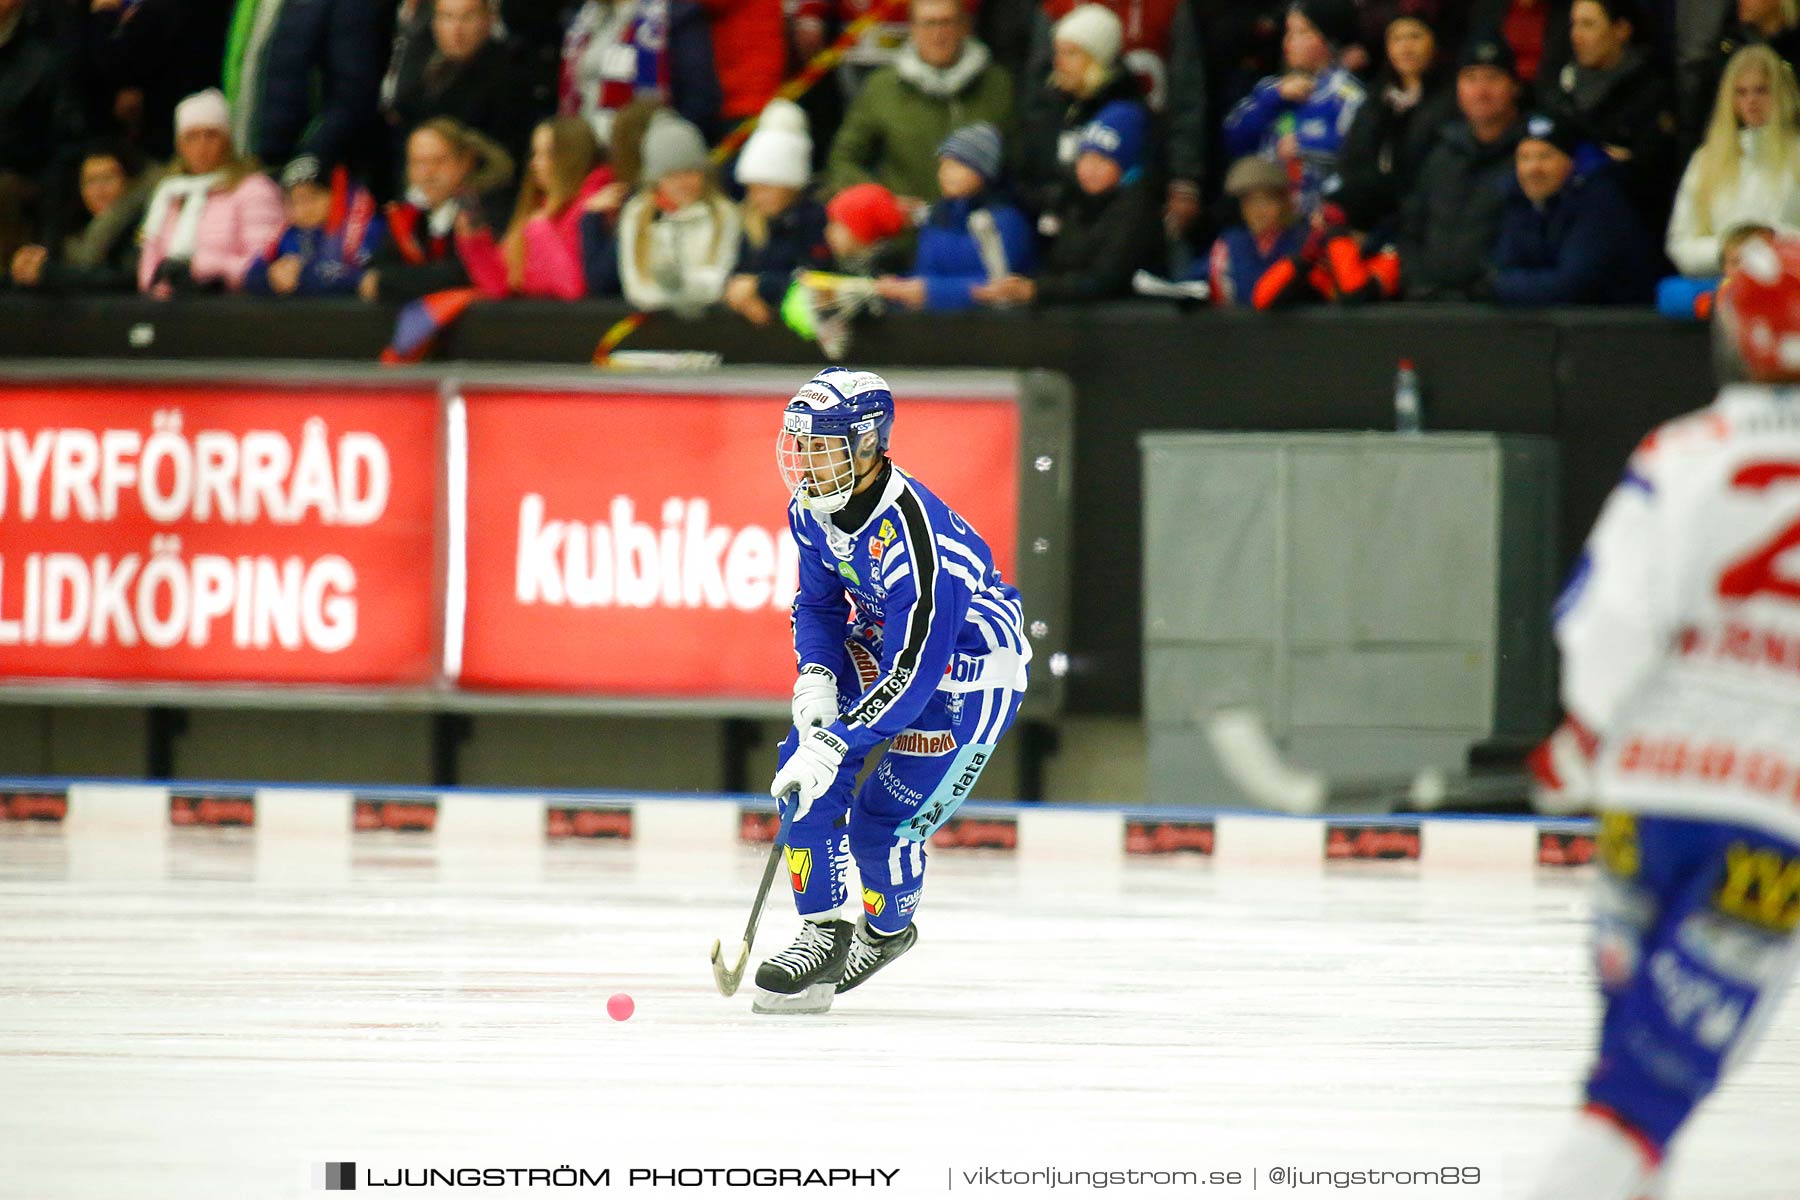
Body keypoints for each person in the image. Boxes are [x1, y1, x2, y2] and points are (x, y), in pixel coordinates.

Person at [1523, 229, 1800, 1200]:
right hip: (1773, 828)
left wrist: (1580, 738)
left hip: (1651, 799)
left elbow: (1610, 621)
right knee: (1638, 1103)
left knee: (1622, 1088)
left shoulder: (1682, 453)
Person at [755, 367, 1031, 1014]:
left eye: (821, 448)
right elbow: (819, 604)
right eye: (799, 446)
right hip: (886, 646)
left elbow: (914, 676)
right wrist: (817, 680)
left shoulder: (920, 544)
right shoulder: (811, 509)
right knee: (807, 762)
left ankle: (885, 932)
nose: (805, 465)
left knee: (882, 828)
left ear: (869, 445)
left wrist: (841, 741)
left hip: (964, 676)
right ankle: (821, 929)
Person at [825, 0, 1016, 206]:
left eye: (947, 22)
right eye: (928, 24)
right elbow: (843, 158)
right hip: (905, 230)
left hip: (980, 225)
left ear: (965, 26)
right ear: (912, 29)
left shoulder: (997, 84)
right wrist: (883, 203)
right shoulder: (883, 86)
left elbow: (1019, 160)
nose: (938, 34)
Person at [974, 98, 1157, 305]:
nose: (1089, 168)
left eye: (1103, 160)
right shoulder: (1072, 199)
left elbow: (1104, 281)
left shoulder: (1136, 211)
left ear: (1127, 169)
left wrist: (1036, 290)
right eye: (1086, 157)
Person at [1397, 32, 1525, 299]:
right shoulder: (1441, 152)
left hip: (1499, 315)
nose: (1481, 91)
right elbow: (1410, 227)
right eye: (1470, 79)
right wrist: (1417, 283)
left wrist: (1486, 289)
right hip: (1428, 309)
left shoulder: (1531, 155)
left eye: (1492, 78)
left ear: (1515, 86)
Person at [1483, 110, 1656, 304]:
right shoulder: (1520, 200)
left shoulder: (1600, 201)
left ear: (1571, 162)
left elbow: (1572, 285)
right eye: (1524, 158)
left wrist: (1500, 288)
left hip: (1618, 326)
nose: (1533, 169)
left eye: (1545, 156)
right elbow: (1500, 269)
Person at [1541, 0, 1681, 235]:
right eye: (1574, 25)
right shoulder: (1560, 89)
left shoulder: (1651, 93)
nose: (1577, 35)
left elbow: (1654, 174)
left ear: (1621, 30)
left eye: (1588, 25)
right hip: (1558, 225)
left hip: (1623, 228)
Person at [1222, 0, 1367, 216]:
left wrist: (1303, 147)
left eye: (1301, 32)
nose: (1289, 40)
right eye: (1288, 31)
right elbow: (1233, 136)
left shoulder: (1347, 96)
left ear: (1328, 40)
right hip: (1267, 221)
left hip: (1322, 222)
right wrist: (1273, 99)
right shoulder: (1271, 89)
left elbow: (1357, 159)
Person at [1667, 45, 1800, 278]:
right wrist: (1728, 251)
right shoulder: (1706, 160)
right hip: (1722, 282)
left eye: (1761, 90)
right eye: (1741, 92)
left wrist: (1771, 243)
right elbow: (1680, 244)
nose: (1751, 101)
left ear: (1780, 92)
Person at [136, 90, 285, 297]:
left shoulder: (254, 188)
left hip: (232, 307)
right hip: (172, 309)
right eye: (192, 137)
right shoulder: (169, 194)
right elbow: (150, 260)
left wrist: (205, 266)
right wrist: (162, 283)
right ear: (180, 145)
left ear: (227, 141)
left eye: (211, 135)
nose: (201, 146)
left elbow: (264, 262)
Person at [590, 110, 740, 313]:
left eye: (690, 172)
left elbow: (719, 278)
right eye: (672, 175)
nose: (683, 183)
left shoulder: (724, 214)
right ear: (656, 178)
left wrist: (679, 286)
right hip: (654, 331)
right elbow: (635, 287)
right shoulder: (637, 213)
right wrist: (676, 295)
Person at [1325, 10, 1458, 239]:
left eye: (1415, 37)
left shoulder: (1451, 100)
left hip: (1420, 210)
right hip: (1371, 207)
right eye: (1396, 39)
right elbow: (1352, 156)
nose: (1405, 46)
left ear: (1434, 44)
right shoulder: (1376, 97)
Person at [874, 122, 1035, 311]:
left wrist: (930, 293)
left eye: (957, 166)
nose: (944, 174)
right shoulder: (938, 216)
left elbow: (1001, 288)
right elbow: (925, 273)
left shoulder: (1004, 220)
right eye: (943, 165)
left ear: (983, 170)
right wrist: (897, 287)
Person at [361, 117, 514, 304]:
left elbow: (465, 272)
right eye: (418, 163)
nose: (428, 173)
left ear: (465, 162)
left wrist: (389, 283)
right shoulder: (409, 213)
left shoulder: (485, 205)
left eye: (439, 161)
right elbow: (377, 270)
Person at [1015, 5, 1148, 217]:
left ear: (1098, 59)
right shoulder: (1047, 104)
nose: (1058, 62)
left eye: (1071, 53)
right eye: (1057, 51)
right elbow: (1026, 170)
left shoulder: (1126, 115)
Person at [457, 116, 610, 299]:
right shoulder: (538, 210)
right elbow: (500, 287)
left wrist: (539, 229)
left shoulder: (595, 207)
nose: (534, 164)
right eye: (535, 153)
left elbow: (573, 288)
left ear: (572, 157)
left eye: (548, 154)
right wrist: (476, 241)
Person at [385, 0, 541, 168]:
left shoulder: (510, 75)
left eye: (468, 17)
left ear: (489, 19)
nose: (456, 30)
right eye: (447, 17)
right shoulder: (423, 60)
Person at [724, 99, 831, 326]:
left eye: (765, 188)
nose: (756, 197)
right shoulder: (751, 224)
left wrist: (758, 286)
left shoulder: (814, 221)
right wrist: (739, 296)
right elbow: (736, 273)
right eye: (752, 189)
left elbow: (818, 277)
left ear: (789, 185)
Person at [558, 0, 723, 145]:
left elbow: (700, 100)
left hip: (646, 151)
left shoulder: (677, 14)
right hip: (586, 154)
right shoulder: (585, 20)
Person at [7, 144, 158, 294]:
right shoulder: (67, 230)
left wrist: (51, 274)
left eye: (108, 178)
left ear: (128, 182)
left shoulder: (144, 226)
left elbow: (125, 278)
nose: (99, 189)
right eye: (90, 181)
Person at [244, 156, 385, 297]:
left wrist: (301, 274)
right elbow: (251, 274)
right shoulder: (288, 233)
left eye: (311, 198)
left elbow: (364, 276)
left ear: (335, 194)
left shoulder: (364, 227)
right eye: (293, 202)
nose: (302, 209)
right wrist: (271, 275)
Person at [1203, 155, 1311, 307]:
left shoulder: (1302, 241)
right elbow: (1196, 279)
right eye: (1250, 202)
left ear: (1284, 204)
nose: (1259, 212)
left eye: (1267, 201)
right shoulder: (1229, 243)